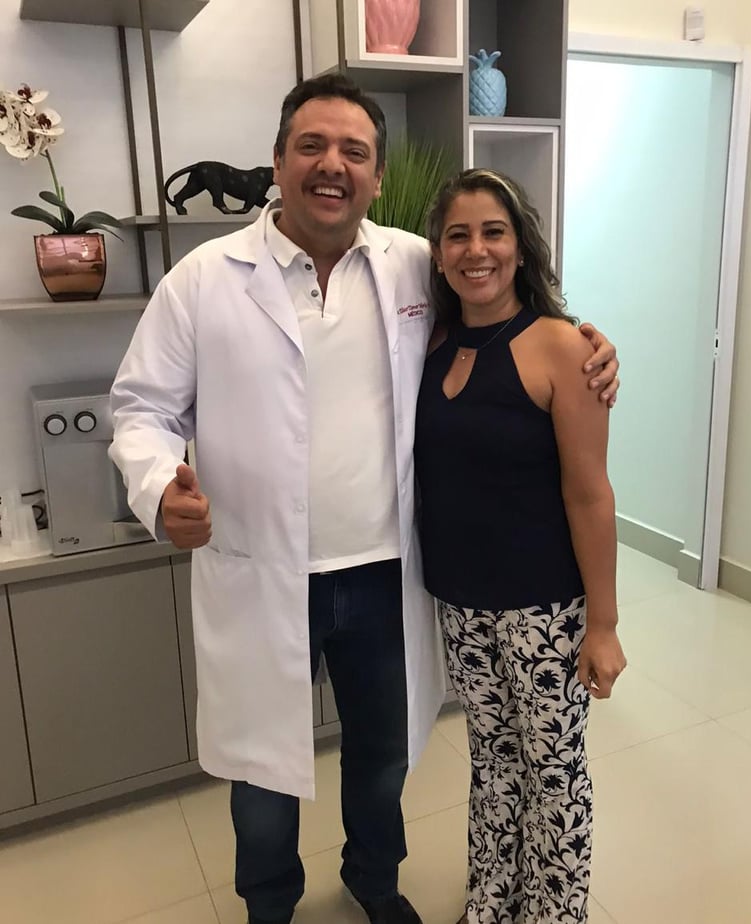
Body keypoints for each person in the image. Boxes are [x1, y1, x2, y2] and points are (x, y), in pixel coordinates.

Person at [108, 75, 619, 924]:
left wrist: (590, 346)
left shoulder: (413, 262)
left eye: (355, 151)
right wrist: (159, 487)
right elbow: (140, 409)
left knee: (381, 758)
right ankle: (268, 903)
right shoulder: (203, 279)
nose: (332, 165)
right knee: (262, 774)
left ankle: (374, 883)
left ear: (378, 177)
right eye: (311, 145)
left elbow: (504, 309)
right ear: (278, 161)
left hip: (386, 573)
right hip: (263, 573)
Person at [414, 168, 627, 924]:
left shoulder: (563, 348)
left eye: (493, 232)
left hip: (545, 608)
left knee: (553, 773)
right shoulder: (432, 341)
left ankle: (553, 912)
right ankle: (492, 903)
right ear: (438, 254)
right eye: (458, 235)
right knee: (493, 763)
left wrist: (603, 624)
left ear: (521, 245)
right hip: (462, 603)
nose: (476, 250)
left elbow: (590, 495)